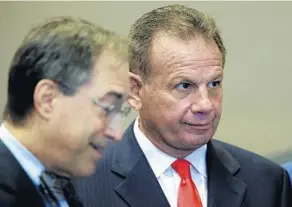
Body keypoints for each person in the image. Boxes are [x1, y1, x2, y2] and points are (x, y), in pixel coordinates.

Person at [74, 4, 292, 207]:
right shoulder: (77, 183)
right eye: (184, 85)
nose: (205, 105)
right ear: (135, 91)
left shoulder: (267, 182)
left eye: (214, 83)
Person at [0, 16, 130, 207]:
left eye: (121, 112)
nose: (117, 133)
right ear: (48, 99)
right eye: (108, 108)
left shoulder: (60, 186)